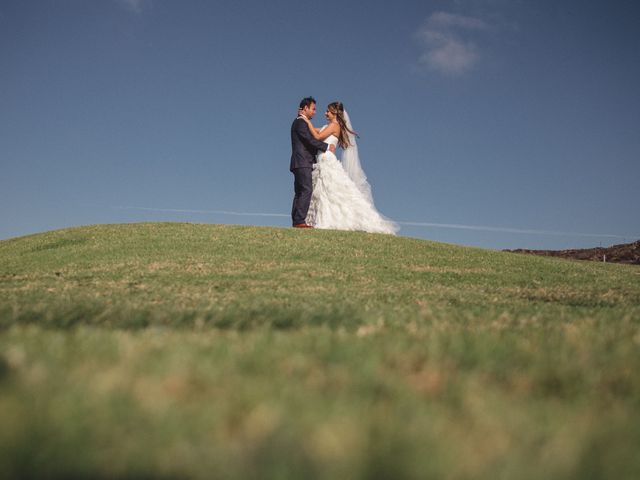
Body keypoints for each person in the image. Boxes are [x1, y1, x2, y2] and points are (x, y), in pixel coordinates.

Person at [300, 102, 398, 234]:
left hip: (327, 160)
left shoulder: (335, 125)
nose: (325, 113)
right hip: (322, 161)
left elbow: (318, 136)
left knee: (332, 190)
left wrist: (306, 120)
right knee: (325, 191)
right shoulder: (328, 126)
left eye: (327, 111)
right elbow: (314, 131)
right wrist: (305, 123)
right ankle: (324, 218)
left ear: (334, 112)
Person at [290, 97, 336, 228]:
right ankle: (299, 221)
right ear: (305, 108)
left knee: (300, 191)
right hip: (302, 161)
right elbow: (309, 140)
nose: (315, 112)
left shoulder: (301, 122)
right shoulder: (300, 123)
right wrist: (327, 147)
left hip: (299, 162)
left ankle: (296, 221)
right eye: (313, 109)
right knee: (306, 190)